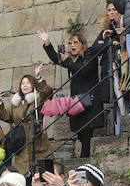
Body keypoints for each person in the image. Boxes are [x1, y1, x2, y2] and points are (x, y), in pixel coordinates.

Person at [35, 27, 110, 156]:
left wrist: (68, 62)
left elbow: (84, 70)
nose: (72, 45)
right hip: (77, 102)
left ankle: (84, 161)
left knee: (87, 134)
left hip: (89, 101)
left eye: (75, 42)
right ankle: (83, 159)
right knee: (81, 135)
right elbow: (55, 57)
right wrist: (47, 41)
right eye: (70, 43)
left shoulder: (89, 54)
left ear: (82, 44)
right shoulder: (71, 60)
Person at [0, 70, 56, 175]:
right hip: (21, 141)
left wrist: (38, 77)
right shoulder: (16, 103)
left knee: (42, 172)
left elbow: (48, 92)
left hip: (37, 139)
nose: (25, 85)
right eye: (23, 83)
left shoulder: (38, 98)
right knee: (22, 173)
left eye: (28, 83)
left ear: (33, 85)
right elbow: (4, 115)